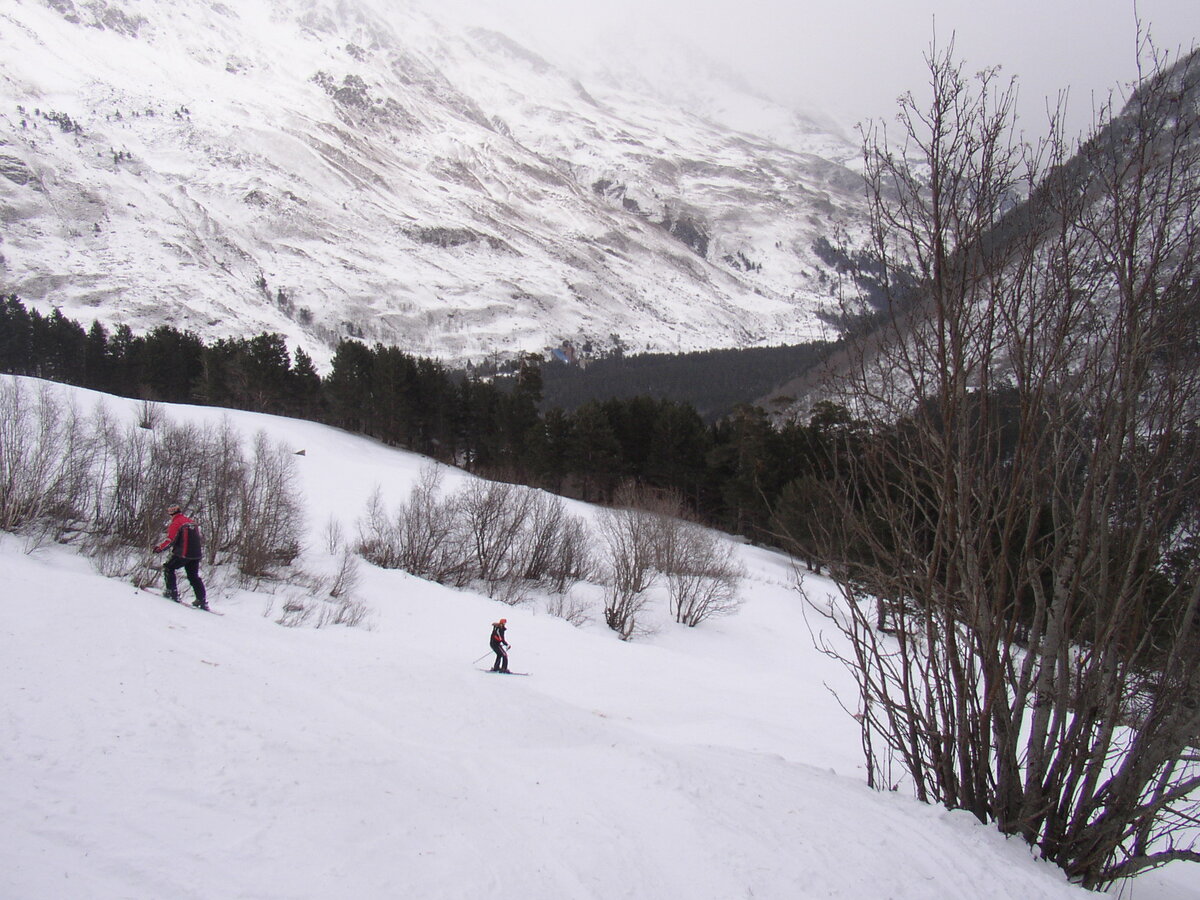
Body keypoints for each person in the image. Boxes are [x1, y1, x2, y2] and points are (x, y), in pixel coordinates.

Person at [155, 503, 208, 610]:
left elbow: (170, 539)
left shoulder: (176, 523)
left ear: (171, 513)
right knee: (193, 576)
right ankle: (202, 600)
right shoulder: (191, 521)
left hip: (183, 553)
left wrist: (159, 548)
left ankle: (172, 592)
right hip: (196, 554)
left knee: (168, 567)